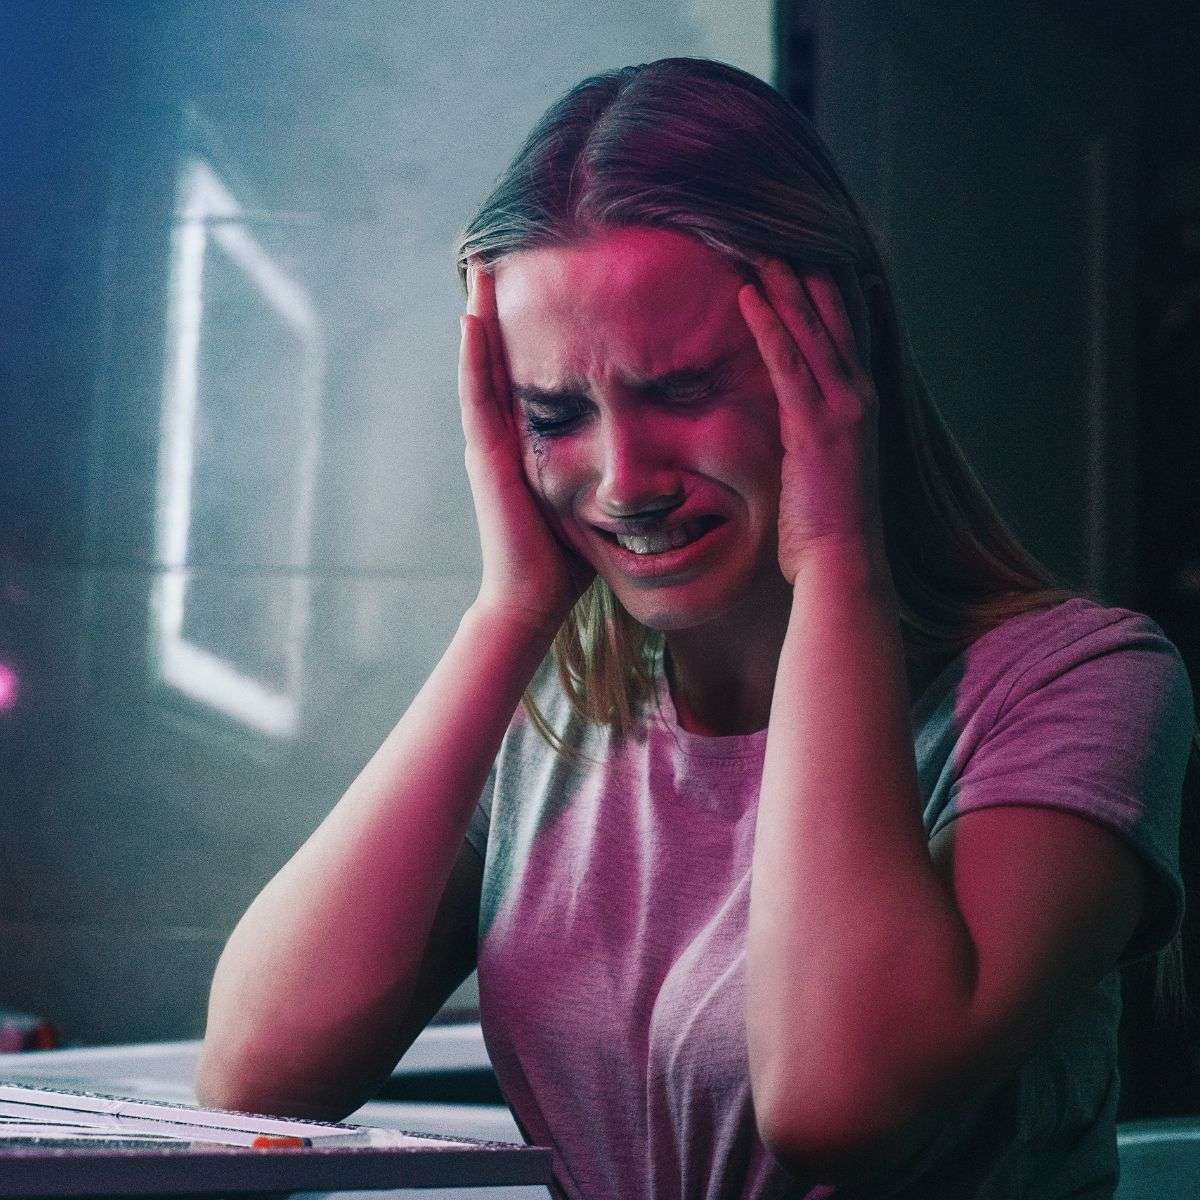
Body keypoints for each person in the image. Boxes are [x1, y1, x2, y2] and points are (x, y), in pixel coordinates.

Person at [196, 57, 1198, 1199]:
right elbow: (253, 1082)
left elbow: (837, 1103)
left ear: (838, 359)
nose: (625, 481)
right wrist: (508, 609)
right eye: (556, 414)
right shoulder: (551, 720)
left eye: (681, 391)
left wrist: (838, 563)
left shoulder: (1082, 685)